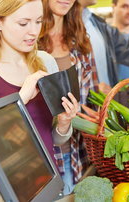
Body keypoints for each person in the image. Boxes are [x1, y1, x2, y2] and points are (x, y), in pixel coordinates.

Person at [0, 0, 79, 174]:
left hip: (50, 179)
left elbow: (51, 138)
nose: (33, 31)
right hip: (8, 189)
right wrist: (20, 100)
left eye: (38, 21)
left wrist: (63, 123)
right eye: (23, 23)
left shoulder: (46, 62)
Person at [38, 0, 98, 194]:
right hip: (45, 159)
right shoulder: (29, 42)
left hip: (79, 155)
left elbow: (90, 101)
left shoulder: (79, 41)